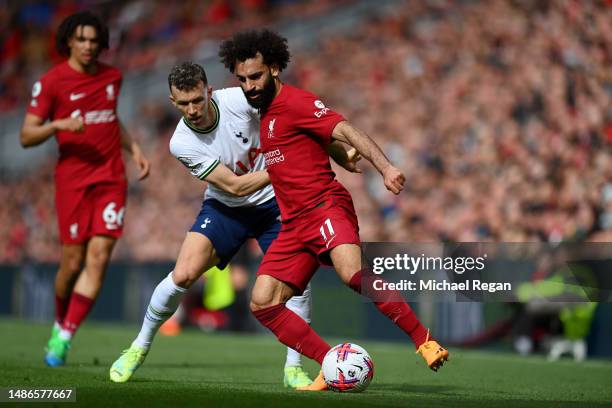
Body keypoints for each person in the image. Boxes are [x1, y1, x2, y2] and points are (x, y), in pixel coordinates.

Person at [219, 29, 450, 390]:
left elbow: (345, 129)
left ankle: (424, 340)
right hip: (294, 224)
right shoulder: (264, 115)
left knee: (351, 274)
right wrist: (341, 156)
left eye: (256, 76)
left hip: (324, 205)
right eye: (243, 79)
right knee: (263, 303)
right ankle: (331, 365)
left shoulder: (297, 102)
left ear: (275, 68)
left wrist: (386, 167)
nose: (249, 86)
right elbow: (317, 143)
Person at [109, 62, 360, 387]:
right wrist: (288, 164)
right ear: (173, 103)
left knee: (297, 285)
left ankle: (293, 368)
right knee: (183, 274)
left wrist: (338, 153)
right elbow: (235, 186)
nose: (192, 109)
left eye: (197, 100)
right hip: (227, 207)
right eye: (183, 104)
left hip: (276, 204)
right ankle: (138, 348)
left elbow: (298, 125)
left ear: (209, 91)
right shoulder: (180, 142)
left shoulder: (242, 101)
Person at [20, 11, 150, 367]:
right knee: (72, 262)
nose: (89, 46)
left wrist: (133, 148)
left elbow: (109, 117)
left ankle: (64, 336)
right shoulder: (51, 82)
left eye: (95, 40)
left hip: (111, 178)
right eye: (82, 39)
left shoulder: (113, 77)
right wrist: (59, 123)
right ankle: (60, 322)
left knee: (99, 257)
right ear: (69, 42)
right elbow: (26, 134)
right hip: (73, 181)